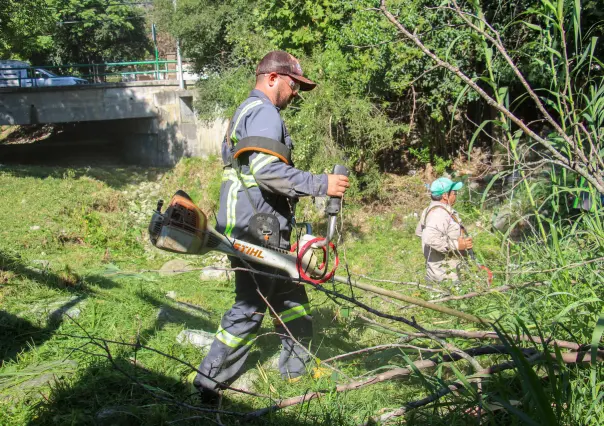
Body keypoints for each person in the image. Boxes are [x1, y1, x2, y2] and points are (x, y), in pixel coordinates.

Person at [193, 50, 350, 400]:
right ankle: (209, 384)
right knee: (249, 308)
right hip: (256, 230)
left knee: (292, 298)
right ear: (273, 78)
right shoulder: (264, 112)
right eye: (294, 85)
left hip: (257, 225)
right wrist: (321, 184)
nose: (296, 93)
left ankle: (296, 371)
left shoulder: (249, 110)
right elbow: (267, 172)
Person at [415, 177, 473, 283]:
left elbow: (420, 233)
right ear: (445, 195)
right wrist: (457, 245)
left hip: (438, 271)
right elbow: (430, 238)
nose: (456, 195)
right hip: (445, 276)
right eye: (454, 193)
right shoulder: (439, 213)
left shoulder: (430, 210)